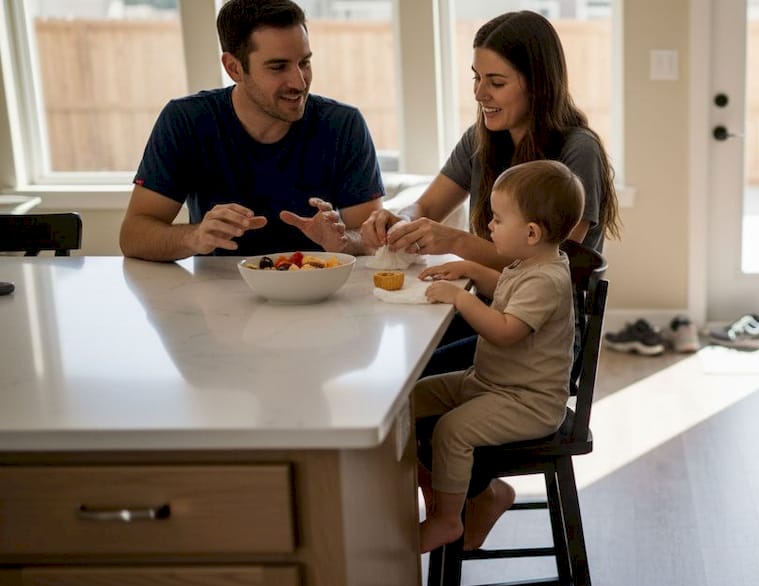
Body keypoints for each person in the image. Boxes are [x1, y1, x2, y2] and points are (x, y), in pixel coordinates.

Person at [361, 9, 619, 376]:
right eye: (477, 78)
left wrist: (457, 241)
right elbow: (428, 205)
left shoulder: (577, 150)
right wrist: (400, 220)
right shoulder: (480, 139)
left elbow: (550, 262)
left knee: (408, 375)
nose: (480, 93)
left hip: (541, 336)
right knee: (395, 352)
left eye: (496, 82)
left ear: (538, 84)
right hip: (489, 305)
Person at [120, 0, 384, 262]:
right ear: (234, 68)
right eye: (278, 67)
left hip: (318, 289)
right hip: (216, 295)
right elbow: (133, 236)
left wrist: (344, 241)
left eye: (304, 62)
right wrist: (194, 237)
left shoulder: (343, 124)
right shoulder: (187, 120)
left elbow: (370, 239)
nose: (299, 81)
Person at [412, 159, 582, 553]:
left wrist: (460, 299)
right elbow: (504, 287)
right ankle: (432, 490)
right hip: (491, 384)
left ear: (531, 232)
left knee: (451, 430)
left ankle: (447, 520)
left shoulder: (546, 279)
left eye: (498, 219)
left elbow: (505, 331)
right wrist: (469, 268)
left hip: (528, 402)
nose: (490, 225)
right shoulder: (531, 263)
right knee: (410, 400)